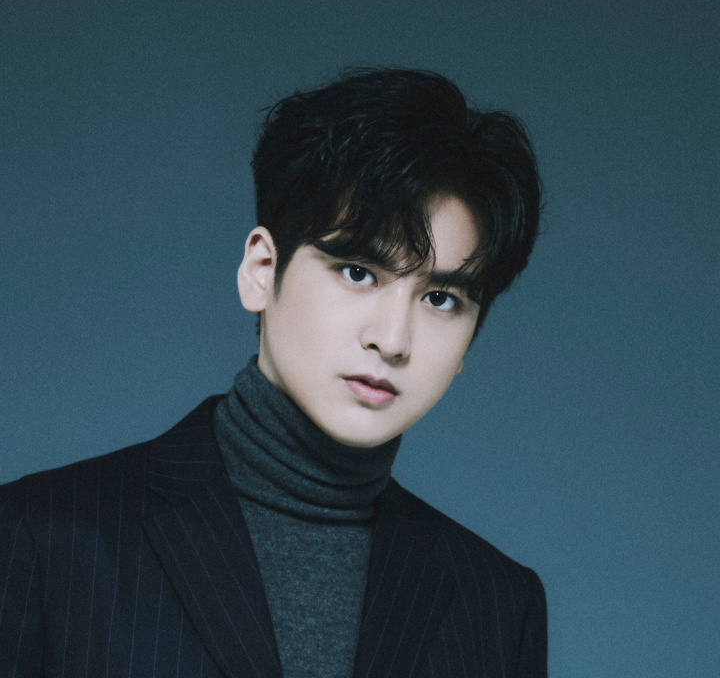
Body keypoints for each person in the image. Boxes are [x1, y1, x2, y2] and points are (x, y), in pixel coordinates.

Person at [0, 68, 546, 677]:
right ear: (261, 270)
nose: (392, 340)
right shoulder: (40, 539)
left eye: (441, 299)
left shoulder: (497, 606)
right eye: (358, 272)